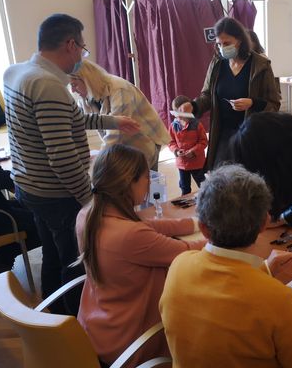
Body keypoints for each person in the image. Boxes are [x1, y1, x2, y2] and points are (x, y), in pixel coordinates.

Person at [160, 164, 292, 368]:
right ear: (265, 222)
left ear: (204, 229)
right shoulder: (276, 298)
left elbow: (223, 299)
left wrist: (264, 271)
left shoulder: (180, 264)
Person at [3, 13, 139, 314]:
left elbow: (64, 120)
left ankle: (52, 315)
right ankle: (76, 329)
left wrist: (109, 120)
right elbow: (61, 156)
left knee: (52, 254)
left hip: (29, 187)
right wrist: (89, 201)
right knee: (75, 263)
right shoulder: (47, 85)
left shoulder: (15, 73)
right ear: (70, 44)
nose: (82, 56)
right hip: (57, 194)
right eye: (83, 48)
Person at [75, 144, 204, 367]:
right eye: (146, 177)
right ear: (129, 183)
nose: (148, 182)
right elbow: (186, 252)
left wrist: (194, 222)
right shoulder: (130, 235)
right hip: (131, 341)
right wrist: (217, 236)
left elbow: (148, 225)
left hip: (96, 327)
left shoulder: (88, 214)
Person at [192, 17, 280, 170]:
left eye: (227, 43)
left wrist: (252, 103)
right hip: (223, 133)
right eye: (219, 44)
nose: (222, 48)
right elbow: (207, 95)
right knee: (221, 179)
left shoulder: (260, 65)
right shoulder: (217, 64)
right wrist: (192, 106)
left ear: (239, 40)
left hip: (251, 135)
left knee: (247, 179)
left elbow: (274, 103)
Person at [70, 59, 170, 171]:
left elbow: (116, 132)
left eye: (74, 85)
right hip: (124, 144)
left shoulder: (119, 88)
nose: (73, 90)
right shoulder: (85, 98)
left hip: (145, 140)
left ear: (87, 80)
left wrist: (99, 159)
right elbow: (83, 121)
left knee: (143, 180)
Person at [0, 164, 40, 274]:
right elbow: (3, 179)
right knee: (44, 221)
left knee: (33, 208)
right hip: (0, 220)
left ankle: (1, 262)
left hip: (1, 210)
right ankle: (1, 264)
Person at [169, 95, 208, 195]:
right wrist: (176, 151)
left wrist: (194, 151)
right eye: (180, 114)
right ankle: (185, 206)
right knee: (184, 187)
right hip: (182, 164)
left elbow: (203, 141)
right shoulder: (173, 126)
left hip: (197, 163)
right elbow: (171, 142)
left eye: (187, 113)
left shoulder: (197, 125)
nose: (184, 117)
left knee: (203, 186)